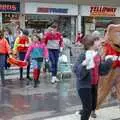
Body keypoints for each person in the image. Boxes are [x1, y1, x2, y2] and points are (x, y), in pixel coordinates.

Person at [73, 34, 115, 120]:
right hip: (84, 86)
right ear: (91, 43)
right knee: (88, 108)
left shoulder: (97, 55)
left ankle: (83, 111)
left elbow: (101, 70)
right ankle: (84, 112)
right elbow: (76, 70)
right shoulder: (83, 55)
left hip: (94, 84)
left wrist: (109, 60)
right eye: (97, 41)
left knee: (92, 105)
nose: (100, 42)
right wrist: (84, 64)